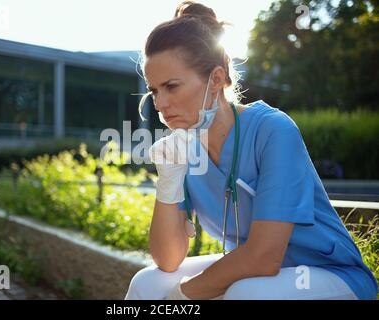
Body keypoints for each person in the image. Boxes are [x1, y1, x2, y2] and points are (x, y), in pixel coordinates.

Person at [124, 1, 377, 300]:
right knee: (147, 284)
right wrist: (168, 181)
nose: (160, 104)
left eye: (172, 87)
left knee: (248, 293)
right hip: (257, 274)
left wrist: (183, 295)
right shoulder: (183, 150)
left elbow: (264, 256)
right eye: (154, 90)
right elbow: (168, 260)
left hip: (327, 273)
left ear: (216, 80)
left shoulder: (273, 130)